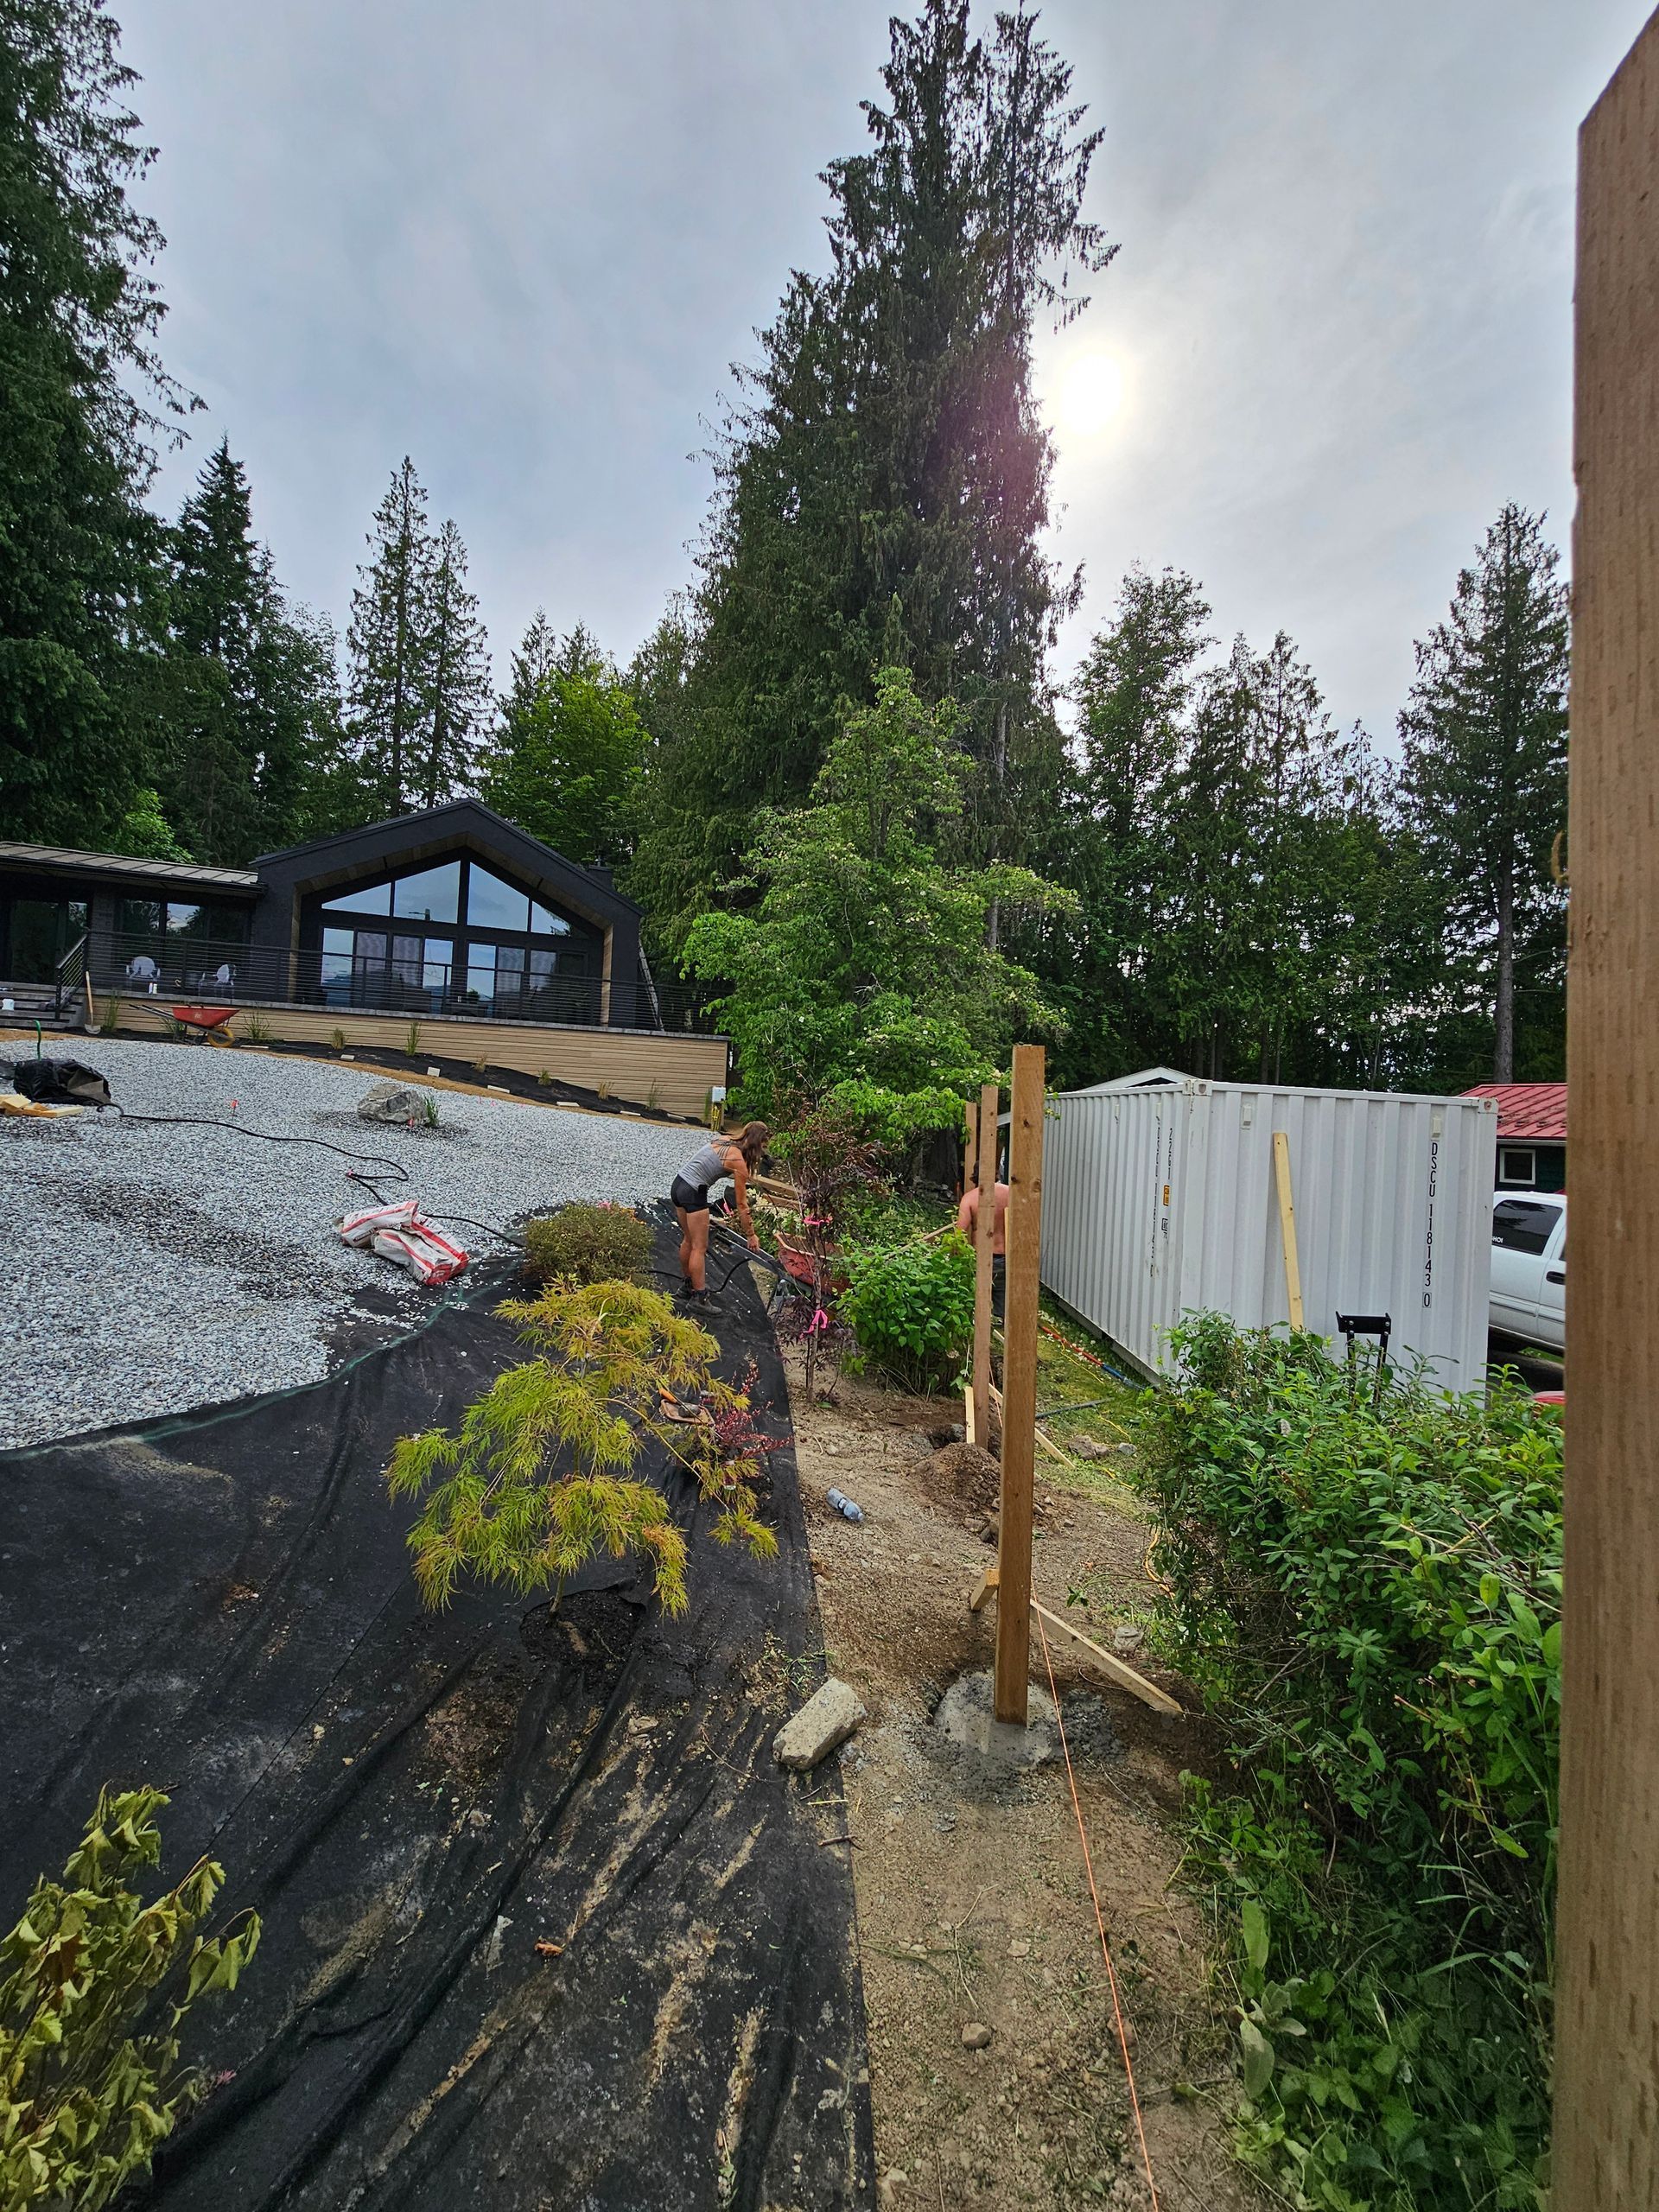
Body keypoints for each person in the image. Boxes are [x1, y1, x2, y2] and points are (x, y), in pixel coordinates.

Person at [671, 1122, 770, 1300]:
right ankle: (700, 1298)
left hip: (678, 1185)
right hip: (693, 1192)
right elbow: (741, 1204)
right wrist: (751, 1234)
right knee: (699, 1247)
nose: (763, 1152)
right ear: (757, 1144)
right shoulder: (738, 1161)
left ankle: (688, 1286)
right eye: (763, 1147)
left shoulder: (723, 1139)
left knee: (688, 1240)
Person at [957, 1175, 1011, 1318]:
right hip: (1008, 1259)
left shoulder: (970, 1198)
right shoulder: (1011, 1193)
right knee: (1002, 1312)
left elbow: (959, 1236)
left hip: (981, 1260)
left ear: (974, 1178)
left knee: (979, 1307)